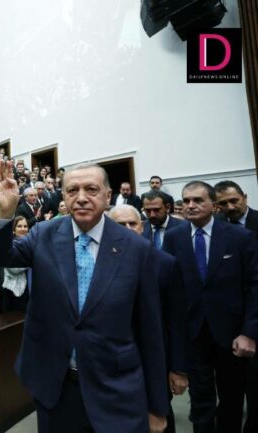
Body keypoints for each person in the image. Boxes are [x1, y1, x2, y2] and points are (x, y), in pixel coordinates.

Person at [0, 160, 168, 433]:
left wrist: (156, 405)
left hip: (116, 387)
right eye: (72, 190)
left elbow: (150, 331)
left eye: (91, 189)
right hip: (56, 386)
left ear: (108, 196)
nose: (81, 197)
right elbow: (2, 257)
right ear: (63, 195)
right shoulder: (43, 234)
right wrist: (5, 211)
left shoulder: (136, 248)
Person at [162, 181, 258, 433]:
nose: (190, 205)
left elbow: (254, 285)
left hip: (232, 335)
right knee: (200, 401)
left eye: (198, 200)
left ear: (214, 205)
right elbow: (169, 288)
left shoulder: (239, 237)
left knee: (231, 399)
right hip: (192, 334)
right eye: (186, 201)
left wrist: (249, 332)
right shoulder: (173, 238)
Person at [108, 204, 188, 433]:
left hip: (155, 361)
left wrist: (179, 369)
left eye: (132, 224)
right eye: (119, 225)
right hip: (112, 363)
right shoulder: (97, 262)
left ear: (142, 227)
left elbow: (178, 321)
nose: (127, 229)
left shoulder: (165, 263)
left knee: (158, 420)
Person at [214, 180, 258, 432]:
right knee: (229, 392)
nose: (230, 207)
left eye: (234, 200)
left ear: (245, 197)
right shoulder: (216, 228)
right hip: (228, 326)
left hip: (254, 316)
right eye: (223, 203)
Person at [1, 216, 31, 313]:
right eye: (19, 226)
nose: (23, 229)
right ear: (13, 229)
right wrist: (32, 262)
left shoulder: (30, 243)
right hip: (13, 290)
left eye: (25, 226)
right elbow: (13, 269)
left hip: (28, 288)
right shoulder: (9, 244)